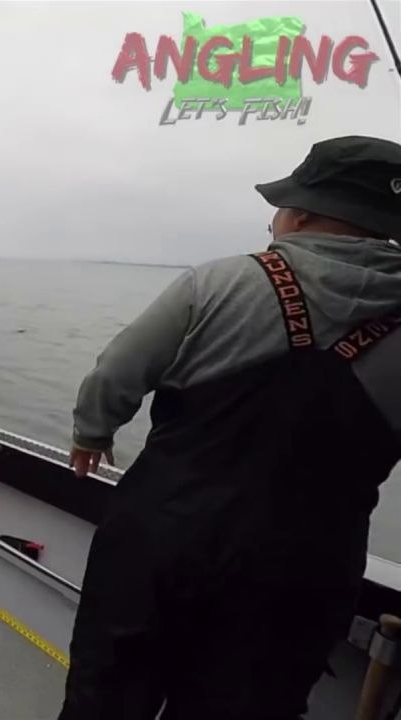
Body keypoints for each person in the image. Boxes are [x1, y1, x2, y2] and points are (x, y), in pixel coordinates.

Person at [61, 135, 401, 720]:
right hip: (305, 572)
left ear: (301, 214)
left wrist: (93, 433)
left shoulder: (215, 283)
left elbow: (115, 374)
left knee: (108, 698)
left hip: (161, 544)